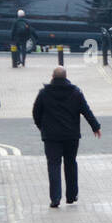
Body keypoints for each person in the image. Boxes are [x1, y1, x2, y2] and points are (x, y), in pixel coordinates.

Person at [32, 65, 101, 208]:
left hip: (51, 137)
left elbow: (36, 113)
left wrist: (42, 128)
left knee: (53, 165)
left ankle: (55, 198)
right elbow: (86, 110)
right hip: (71, 135)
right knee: (70, 163)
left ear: (52, 77)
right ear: (66, 77)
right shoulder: (75, 93)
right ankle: (71, 196)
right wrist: (95, 126)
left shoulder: (44, 93)